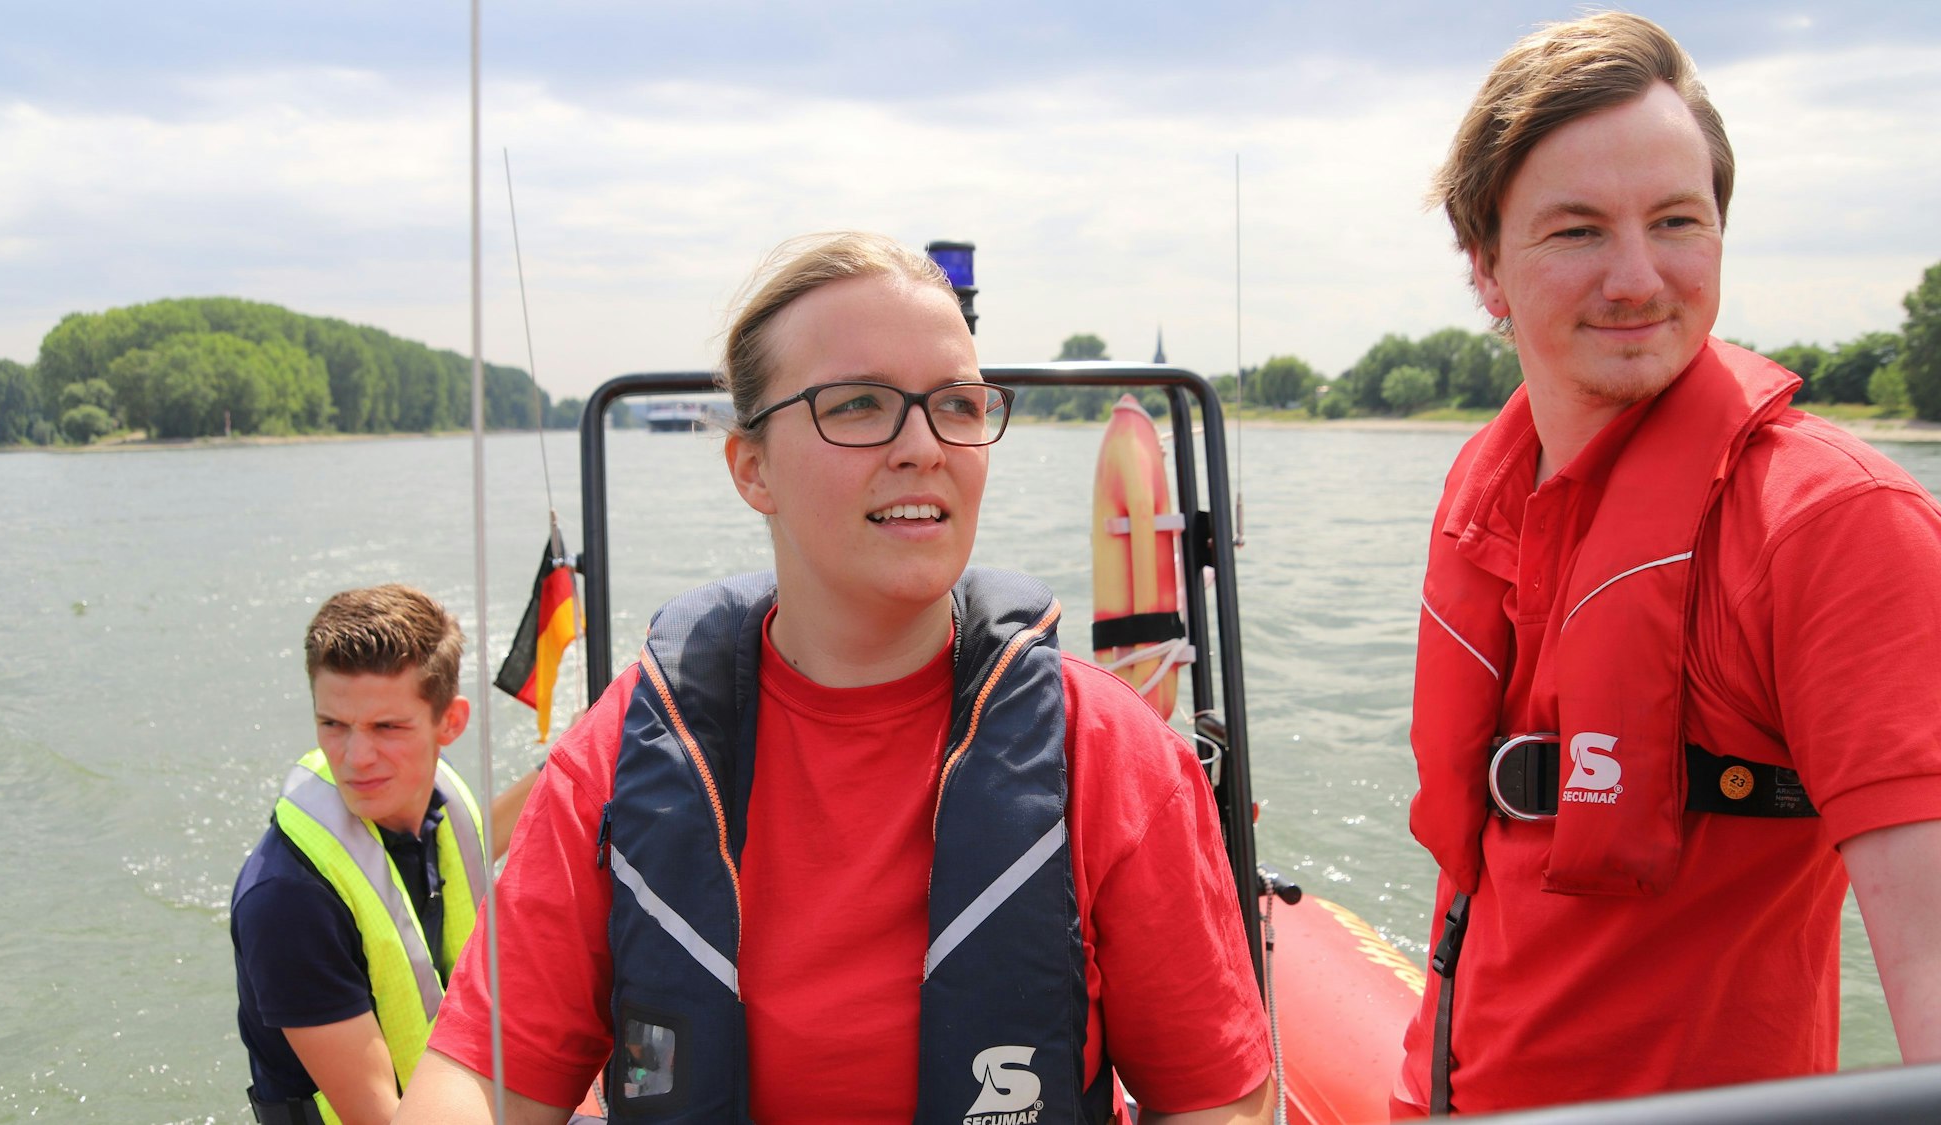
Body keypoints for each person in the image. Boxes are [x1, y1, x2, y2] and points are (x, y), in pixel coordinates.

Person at [394, 232, 1277, 1124]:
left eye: (958, 405)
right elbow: (477, 1079)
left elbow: (1216, 1101)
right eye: (858, 405)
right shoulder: (624, 756)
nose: (924, 445)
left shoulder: (1109, 759)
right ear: (752, 467)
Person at [1395, 12, 1941, 1118]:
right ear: (1484, 268)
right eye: (1577, 231)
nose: (1638, 277)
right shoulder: (1483, 498)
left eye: (1676, 221)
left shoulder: (1834, 525)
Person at [232, 584, 539, 1125]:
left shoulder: (426, 801)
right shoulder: (287, 904)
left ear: (450, 723)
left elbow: (473, 842)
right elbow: (379, 1116)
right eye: (333, 725)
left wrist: (571, 757)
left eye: (387, 728)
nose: (356, 758)